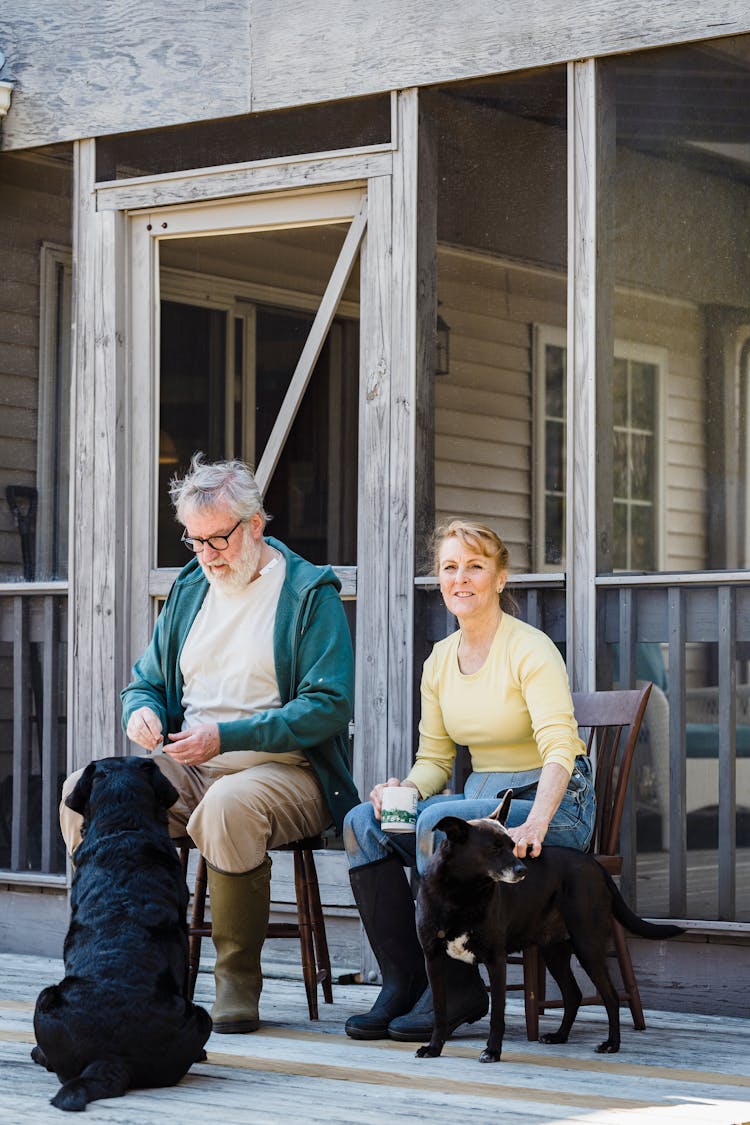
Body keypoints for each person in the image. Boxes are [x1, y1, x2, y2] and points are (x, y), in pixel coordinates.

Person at [60, 454, 358, 1034]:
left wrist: (228, 735)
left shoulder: (306, 593)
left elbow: (327, 707)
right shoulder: (191, 589)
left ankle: (236, 982)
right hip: (189, 764)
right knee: (83, 792)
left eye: (217, 540)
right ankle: (105, 952)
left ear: (255, 525)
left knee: (229, 806)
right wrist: (140, 711)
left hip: (286, 770)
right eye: (194, 542)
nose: (205, 555)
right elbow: (144, 681)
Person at [342, 519, 596, 1042]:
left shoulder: (532, 649)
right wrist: (402, 792)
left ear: (500, 578)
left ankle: (456, 989)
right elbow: (435, 762)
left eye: (475, 566)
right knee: (362, 822)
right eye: (450, 568)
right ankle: (406, 977)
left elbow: (559, 748)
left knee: (436, 821)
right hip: (486, 805)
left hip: (554, 803)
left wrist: (539, 823)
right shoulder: (438, 661)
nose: (462, 578)